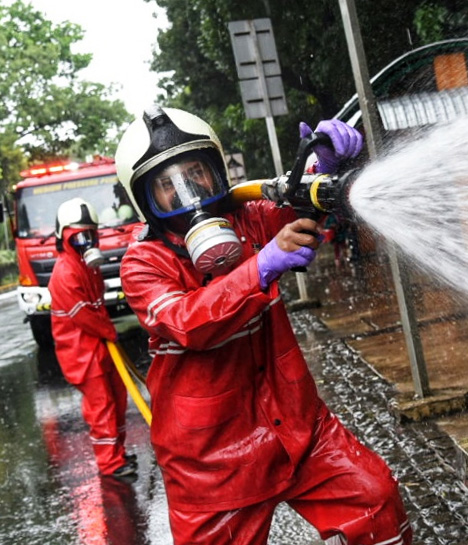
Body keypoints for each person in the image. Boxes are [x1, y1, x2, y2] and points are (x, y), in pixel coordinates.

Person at [115, 106, 411, 545]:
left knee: (375, 503)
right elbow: (186, 321)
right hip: (211, 462)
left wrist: (325, 166)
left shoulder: (250, 217)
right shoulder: (143, 263)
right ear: (146, 201)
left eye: (197, 172)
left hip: (297, 428)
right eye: (168, 185)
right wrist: (264, 263)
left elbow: (300, 207)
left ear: (217, 171)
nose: (188, 191)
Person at [48, 198, 137, 480]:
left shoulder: (88, 266)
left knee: (118, 399)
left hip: (99, 347)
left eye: (90, 234)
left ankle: (118, 453)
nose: (86, 241)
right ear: (65, 237)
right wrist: (110, 332)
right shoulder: (64, 272)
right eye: (79, 236)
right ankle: (109, 463)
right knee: (102, 409)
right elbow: (83, 316)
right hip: (82, 354)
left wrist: (108, 334)